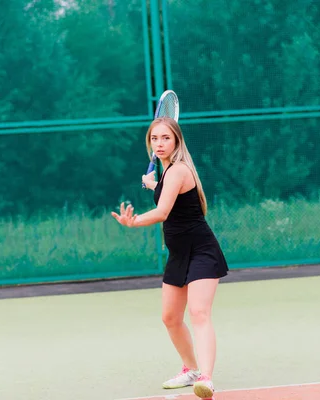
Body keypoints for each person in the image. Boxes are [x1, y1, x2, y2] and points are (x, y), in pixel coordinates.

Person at [111, 117, 229, 400]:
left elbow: (164, 212)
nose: (159, 143)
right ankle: (190, 368)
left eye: (165, 138)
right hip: (179, 254)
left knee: (199, 313)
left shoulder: (178, 170)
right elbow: (168, 193)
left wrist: (134, 221)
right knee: (170, 318)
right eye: (154, 138)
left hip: (201, 251)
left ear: (176, 140)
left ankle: (206, 379)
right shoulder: (166, 175)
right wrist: (153, 185)